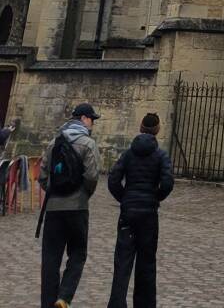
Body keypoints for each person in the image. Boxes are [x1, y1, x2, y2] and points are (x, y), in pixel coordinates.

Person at [107, 112, 174, 308]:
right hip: (148, 215)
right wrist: (156, 197)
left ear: (141, 128)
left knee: (122, 263)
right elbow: (168, 182)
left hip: (128, 213)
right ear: (157, 130)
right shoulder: (161, 155)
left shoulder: (128, 153)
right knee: (147, 264)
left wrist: (125, 198)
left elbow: (113, 180)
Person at [39, 101, 101, 308]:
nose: (92, 123)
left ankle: (48, 303)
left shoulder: (54, 142)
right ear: (83, 119)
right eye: (91, 119)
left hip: (53, 209)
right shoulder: (88, 143)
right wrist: (84, 194)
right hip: (78, 208)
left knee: (50, 258)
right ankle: (64, 297)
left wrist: (54, 192)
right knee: (78, 253)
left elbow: (42, 175)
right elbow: (92, 176)